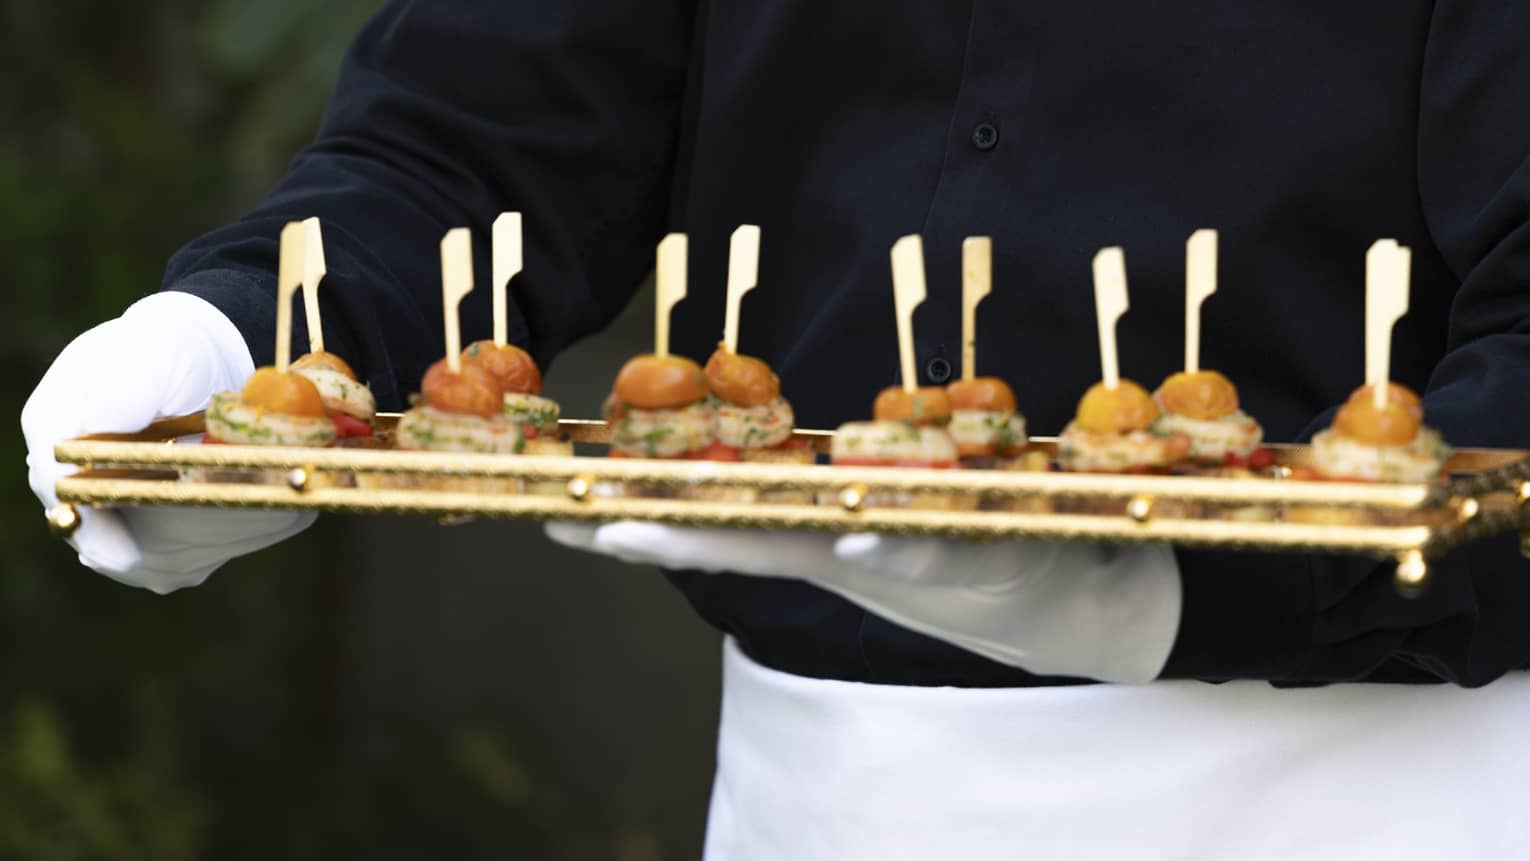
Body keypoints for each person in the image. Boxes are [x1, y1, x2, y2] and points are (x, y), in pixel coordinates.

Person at [22, 2, 1530, 857]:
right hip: (816, 796)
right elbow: (474, 134)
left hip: (1390, 788)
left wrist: (1190, 579)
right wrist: (233, 346)